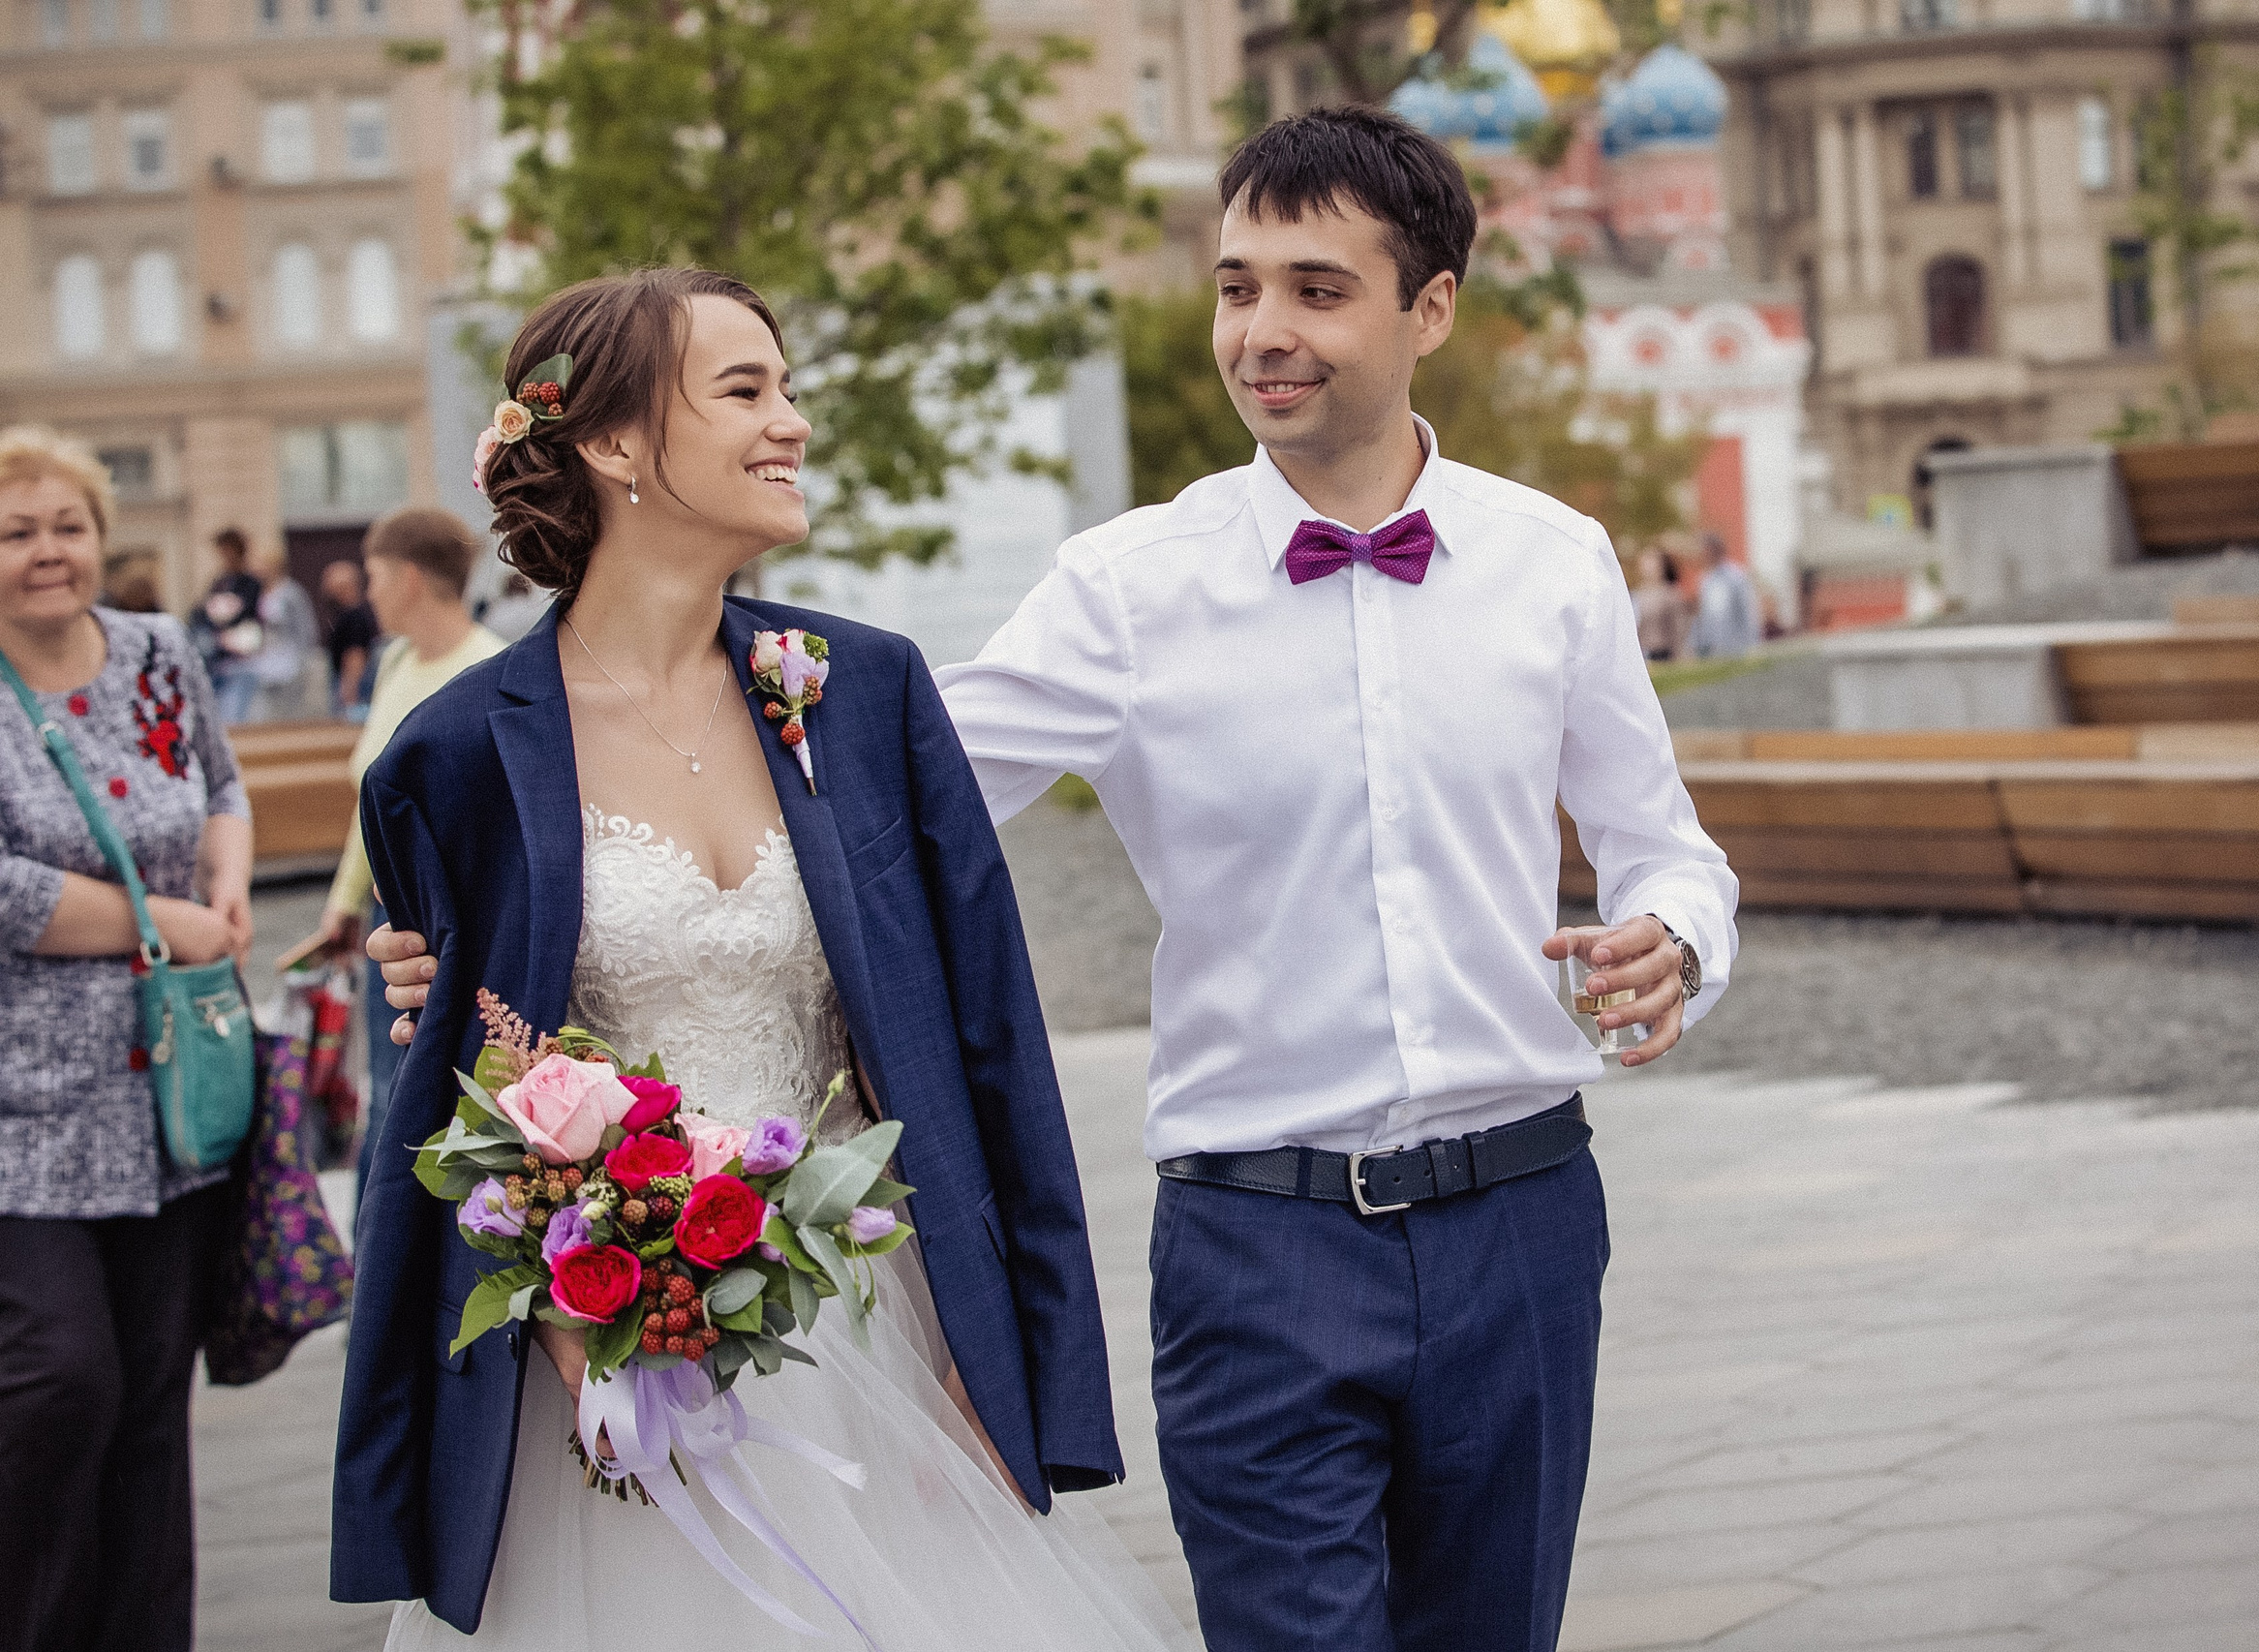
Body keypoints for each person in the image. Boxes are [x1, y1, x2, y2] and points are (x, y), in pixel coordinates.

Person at [373, 111, 1738, 1652]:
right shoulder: (1127, 586)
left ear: (1429, 308)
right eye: (1235, 288)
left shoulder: (1555, 559)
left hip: (1525, 1215)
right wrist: (475, 923)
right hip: (1259, 1243)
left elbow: (1664, 841)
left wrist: (1673, 937)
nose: (1261, 333)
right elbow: (851, 784)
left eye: (1314, 289)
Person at [333, 270, 1191, 1650]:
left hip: (877, 1324)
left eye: (785, 387)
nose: (790, 421)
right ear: (613, 442)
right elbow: (458, 1094)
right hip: (615, 1354)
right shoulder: (453, 755)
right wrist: (559, 1299)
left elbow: (988, 1038)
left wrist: (1005, 1346)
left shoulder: (865, 692)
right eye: (746, 391)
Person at [0, 425, 254, 1652]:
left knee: (153, 1404)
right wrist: (167, 924)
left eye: (68, 527)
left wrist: (233, 879)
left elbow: (217, 784)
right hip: (21, 1111)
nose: (49, 553)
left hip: (170, 1099)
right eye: (17, 532)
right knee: (61, 1380)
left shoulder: (158, 652)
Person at [280, 509, 504, 1193]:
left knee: (431, 1098)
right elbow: (368, 808)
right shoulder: (398, 661)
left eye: (373, 575)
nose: (366, 592)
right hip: (386, 922)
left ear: (409, 576)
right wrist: (342, 905)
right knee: (385, 1091)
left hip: (446, 929)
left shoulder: (487, 668)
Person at [188, 526, 263, 723]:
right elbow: (202, 613)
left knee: (236, 714)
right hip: (217, 658)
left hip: (241, 658)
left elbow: (247, 614)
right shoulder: (219, 581)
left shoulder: (251, 583)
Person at [251, 562, 327, 721]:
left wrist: (304, 656)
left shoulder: (291, 592)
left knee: (292, 710)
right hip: (268, 656)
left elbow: (305, 626)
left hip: (291, 657)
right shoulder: (262, 593)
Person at [319, 558, 381, 719]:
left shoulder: (354, 618)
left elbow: (355, 656)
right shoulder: (347, 615)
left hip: (352, 687)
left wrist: (349, 693)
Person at [1688, 530, 1761, 658]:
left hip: (1737, 647)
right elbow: (1703, 616)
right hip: (1712, 650)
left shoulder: (1736, 577)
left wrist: (1752, 645)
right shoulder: (1705, 580)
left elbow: (1748, 612)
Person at [1633, 546, 1690, 662]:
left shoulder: (1670, 594)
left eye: (1652, 562)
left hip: (1663, 655)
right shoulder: (1636, 595)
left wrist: (1679, 655)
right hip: (1641, 656)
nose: (1648, 567)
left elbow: (1679, 629)